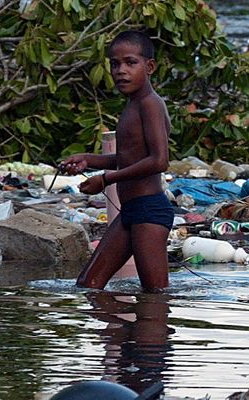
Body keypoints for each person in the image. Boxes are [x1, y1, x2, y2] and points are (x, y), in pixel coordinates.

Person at [59, 30, 173, 293]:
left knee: (155, 296)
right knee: (88, 286)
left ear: (150, 66)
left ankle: (142, 334)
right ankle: (123, 334)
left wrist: (105, 180)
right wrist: (88, 160)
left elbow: (159, 161)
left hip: (149, 211)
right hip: (131, 212)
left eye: (130, 62)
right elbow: (127, 159)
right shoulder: (132, 105)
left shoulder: (150, 104)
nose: (121, 70)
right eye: (115, 64)